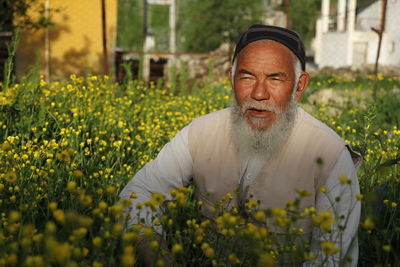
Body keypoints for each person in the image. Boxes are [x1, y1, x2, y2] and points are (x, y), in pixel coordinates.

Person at [119, 24, 362, 266]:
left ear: (299, 86)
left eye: (275, 78)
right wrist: (155, 252)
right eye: (247, 76)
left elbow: (333, 260)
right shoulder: (200, 133)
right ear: (231, 79)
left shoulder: (330, 156)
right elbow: (140, 192)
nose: (258, 93)